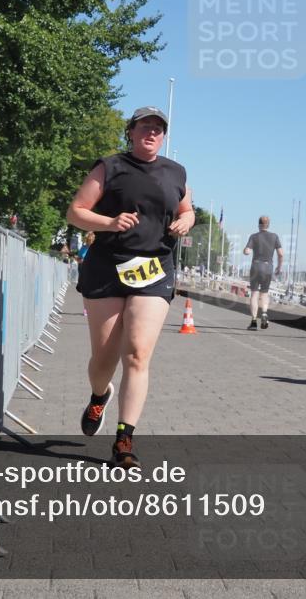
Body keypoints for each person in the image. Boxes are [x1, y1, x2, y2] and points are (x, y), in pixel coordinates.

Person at [67, 106, 193, 468]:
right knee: (103, 359)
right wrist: (109, 221)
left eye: (158, 128)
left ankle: (124, 440)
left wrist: (187, 219)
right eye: (145, 127)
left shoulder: (176, 172)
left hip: (154, 268)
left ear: (163, 135)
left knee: (137, 353)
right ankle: (98, 394)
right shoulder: (110, 166)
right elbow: (75, 212)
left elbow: (187, 208)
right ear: (132, 131)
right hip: (108, 267)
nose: (152, 133)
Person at [243, 216, 283, 330]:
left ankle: (254, 322)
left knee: (254, 294)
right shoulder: (274, 237)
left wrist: (245, 250)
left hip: (256, 266)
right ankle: (264, 313)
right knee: (264, 293)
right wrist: (279, 267)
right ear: (268, 225)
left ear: (259, 225)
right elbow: (281, 254)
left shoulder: (254, 236)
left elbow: (247, 251)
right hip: (268, 267)